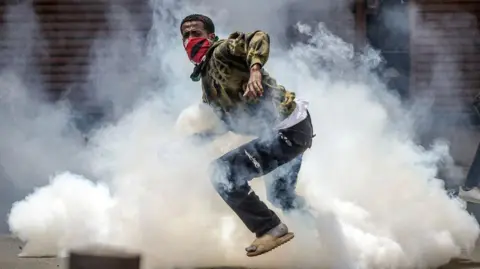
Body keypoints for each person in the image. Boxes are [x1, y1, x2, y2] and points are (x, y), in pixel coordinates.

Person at [180, 14, 315, 257]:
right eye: (186, 35)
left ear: (210, 37)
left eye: (195, 34)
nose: (190, 39)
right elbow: (227, 122)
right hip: (290, 130)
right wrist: (192, 143)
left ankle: (270, 229)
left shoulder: (221, 51)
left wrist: (255, 71)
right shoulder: (208, 85)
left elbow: (257, 37)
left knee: (223, 172)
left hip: (287, 129)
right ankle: (318, 229)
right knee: (281, 196)